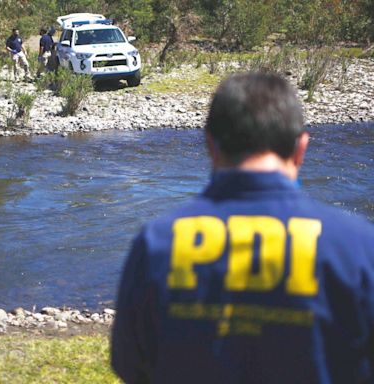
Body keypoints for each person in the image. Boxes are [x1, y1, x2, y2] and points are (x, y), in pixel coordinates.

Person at [111, 72, 374, 383]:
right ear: (301, 148)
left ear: (210, 145)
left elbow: (130, 364)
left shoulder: (156, 242)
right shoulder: (357, 245)